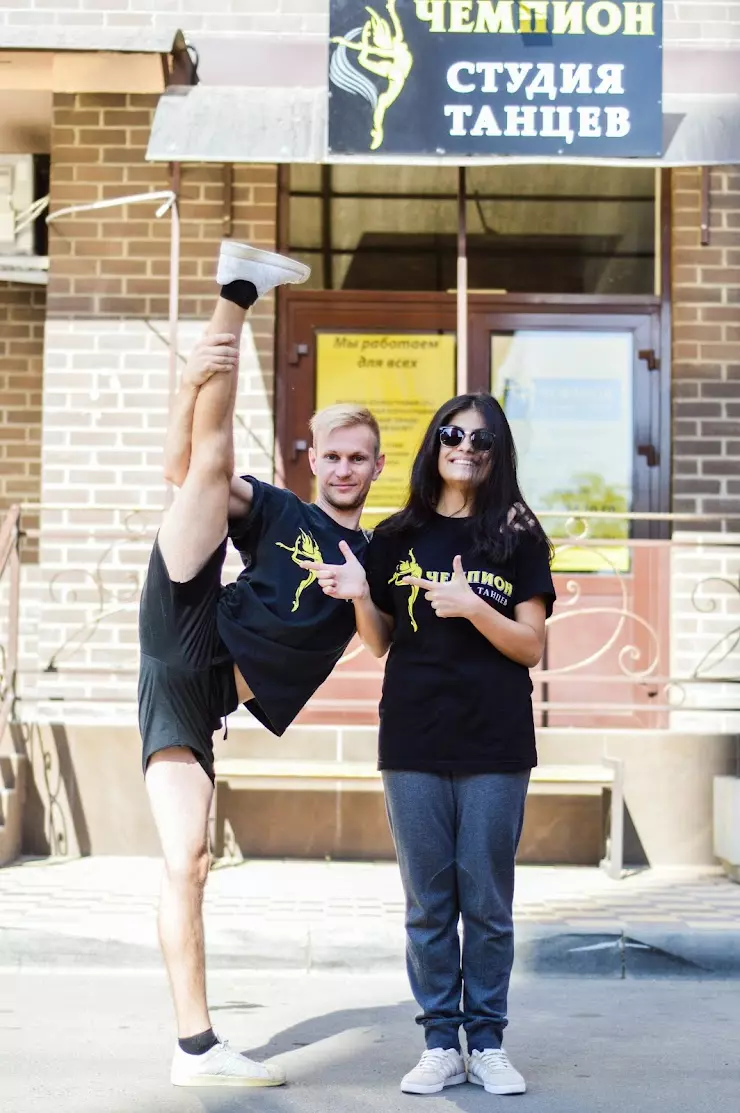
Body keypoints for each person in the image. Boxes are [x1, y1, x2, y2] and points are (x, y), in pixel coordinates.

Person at [139, 240, 385, 1087]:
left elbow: (382, 641)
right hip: (188, 622)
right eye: (333, 454)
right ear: (312, 460)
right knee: (206, 464)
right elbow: (186, 473)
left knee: (189, 862)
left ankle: (193, 1049)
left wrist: (357, 587)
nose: (345, 467)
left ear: (376, 466)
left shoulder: (375, 558)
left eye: (360, 457)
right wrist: (184, 392)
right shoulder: (281, 509)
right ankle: (238, 291)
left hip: (196, 698)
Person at [307, 392, 555, 1096]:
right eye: (453, 433)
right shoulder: (397, 534)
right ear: (435, 444)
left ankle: (489, 1039)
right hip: (413, 737)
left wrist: (475, 606)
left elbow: (532, 646)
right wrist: (360, 590)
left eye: (481, 439)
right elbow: (382, 641)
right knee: (427, 901)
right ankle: (441, 1040)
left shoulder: (517, 534)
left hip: (496, 741)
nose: (466, 447)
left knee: (487, 899)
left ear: (497, 450)